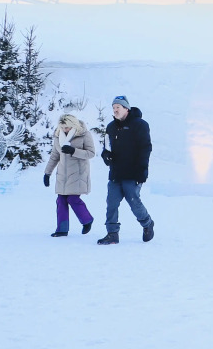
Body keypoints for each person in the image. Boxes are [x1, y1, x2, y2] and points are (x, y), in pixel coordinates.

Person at [99, 96, 155, 245]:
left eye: (118, 107)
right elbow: (106, 147)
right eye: (113, 107)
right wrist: (106, 156)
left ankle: (147, 223)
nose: (115, 110)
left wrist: (142, 171)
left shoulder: (140, 125)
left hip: (133, 172)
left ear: (126, 108)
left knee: (134, 202)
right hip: (116, 172)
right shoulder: (111, 127)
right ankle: (112, 234)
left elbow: (145, 148)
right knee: (111, 202)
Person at [44, 113, 96, 236]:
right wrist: (47, 173)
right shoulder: (58, 137)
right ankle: (62, 229)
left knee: (73, 198)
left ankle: (87, 220)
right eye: (62, 127)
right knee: (61, 200)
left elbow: (91, 153)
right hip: (63, 174)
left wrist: (73, 151)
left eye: (66, 127)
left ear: (73, 126)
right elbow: (54, 157)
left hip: (78, 173)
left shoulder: (83, 134)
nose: (64, 130)